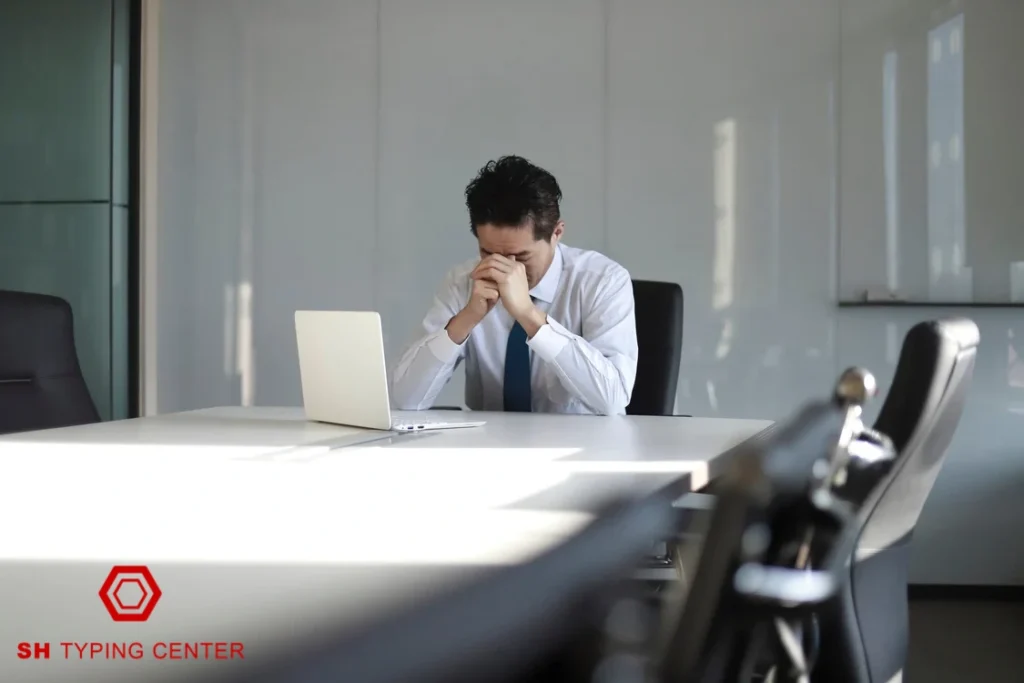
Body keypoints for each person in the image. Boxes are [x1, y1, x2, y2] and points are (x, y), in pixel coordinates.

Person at [391, 155, 638, 415]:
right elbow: (404, 400)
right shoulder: (463, 281)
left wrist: (529, 316)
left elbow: (613, 400)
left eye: (521, 257)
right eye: (488, 253)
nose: (505, 269)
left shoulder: (602, 281)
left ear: (557, 234)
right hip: (488, 446)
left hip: (583, 448)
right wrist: (465, 320)